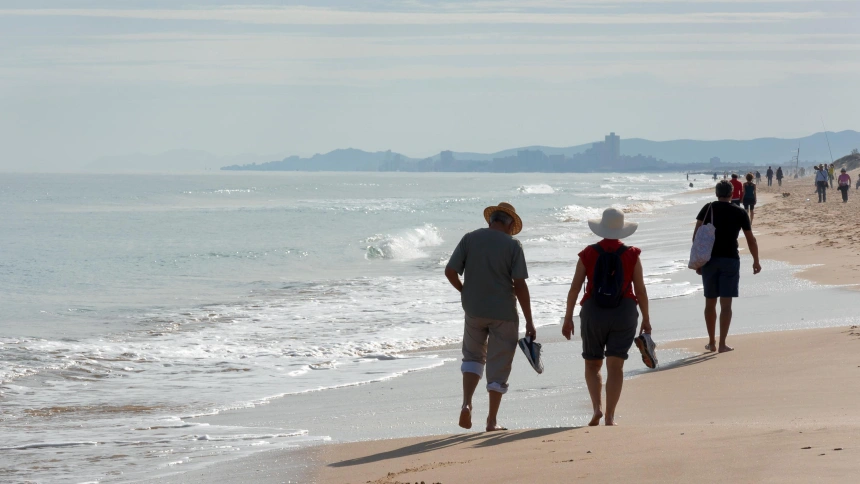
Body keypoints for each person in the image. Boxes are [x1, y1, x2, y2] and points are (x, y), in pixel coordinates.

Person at [445, 202, 536, 432]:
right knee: (499, 364)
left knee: (473, 357)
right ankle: (491, 421)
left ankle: (466, 404)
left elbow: (450, 271)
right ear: (509, 225)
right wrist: (529, 320)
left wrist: (464, 290)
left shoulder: (470, 238)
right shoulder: (513, 245)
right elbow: (520, 284)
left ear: (490, 221)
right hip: (504, 312)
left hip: (474, 310)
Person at [561, 208, 651, 426]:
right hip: (624, 311)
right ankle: (610, 416)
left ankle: (597, 409)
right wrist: (646, 319)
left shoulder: (588, 253)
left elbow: (574, 288)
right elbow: (640, 290)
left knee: (592, 365)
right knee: (615, 366)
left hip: (594, 311)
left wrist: (568, 317)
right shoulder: (632, 254)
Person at [693, 181, 761, 353]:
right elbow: (750, 238)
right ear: (733, 194)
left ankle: (711, 342)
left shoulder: (707, 208)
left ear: (716, 193)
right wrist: (756, 260)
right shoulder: (739, 212)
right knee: (726, 304)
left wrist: (698, 261)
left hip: (709, 260)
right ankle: (722, 344)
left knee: (710, 302)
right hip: (730, 259)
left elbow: (696, 236)